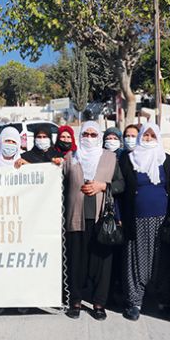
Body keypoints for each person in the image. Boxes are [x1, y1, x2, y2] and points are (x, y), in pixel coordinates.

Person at [62, 121, 124, 320]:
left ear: (99, 137)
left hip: (101, 218)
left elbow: (121, 184)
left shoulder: (111, 158)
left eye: (93, 134)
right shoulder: (70, 157)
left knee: (102, 262)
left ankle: (99, 303)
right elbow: (57, 182)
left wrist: (103, 186)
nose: (89, 138)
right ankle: (76, 301)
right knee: (76, 260)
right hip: (76, 216)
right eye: (86, 134)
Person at [118, 123, 170, 321]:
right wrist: (120, 217)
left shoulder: (166, 161)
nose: (149, 138)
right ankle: (134, 303)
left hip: (161, 220)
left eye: (153, 135)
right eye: (146, 135)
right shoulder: (128, 159)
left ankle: (163, 301)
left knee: (161, 261)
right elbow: (121, 190)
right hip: (136, 219)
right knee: (135, 262)